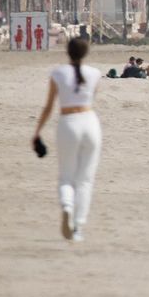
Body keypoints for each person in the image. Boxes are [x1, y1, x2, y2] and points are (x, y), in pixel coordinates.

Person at [33, 38, 103, 243]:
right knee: (85, 180)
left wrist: (37, 132)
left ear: (67, 51)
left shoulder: (58, 73)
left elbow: (48, 107)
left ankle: (67, 206)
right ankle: (78, 226)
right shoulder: (95, 74)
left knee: (66, 177)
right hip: (90, 121)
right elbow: (91, 98)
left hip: (68, 122)